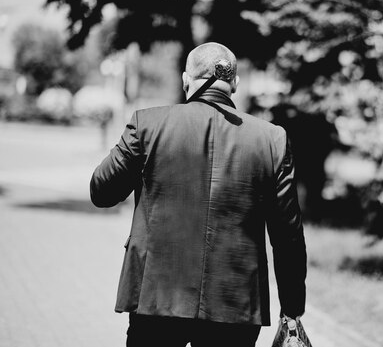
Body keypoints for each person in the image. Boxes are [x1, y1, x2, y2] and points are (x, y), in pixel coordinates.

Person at [90, 42, 307, 347]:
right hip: (235, 305)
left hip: (156, 297)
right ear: (235, 84)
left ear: (185, 79)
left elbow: (102, 191)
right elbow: (288, 235)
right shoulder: (271, 139)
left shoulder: (147, 124)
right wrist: (292, 310)